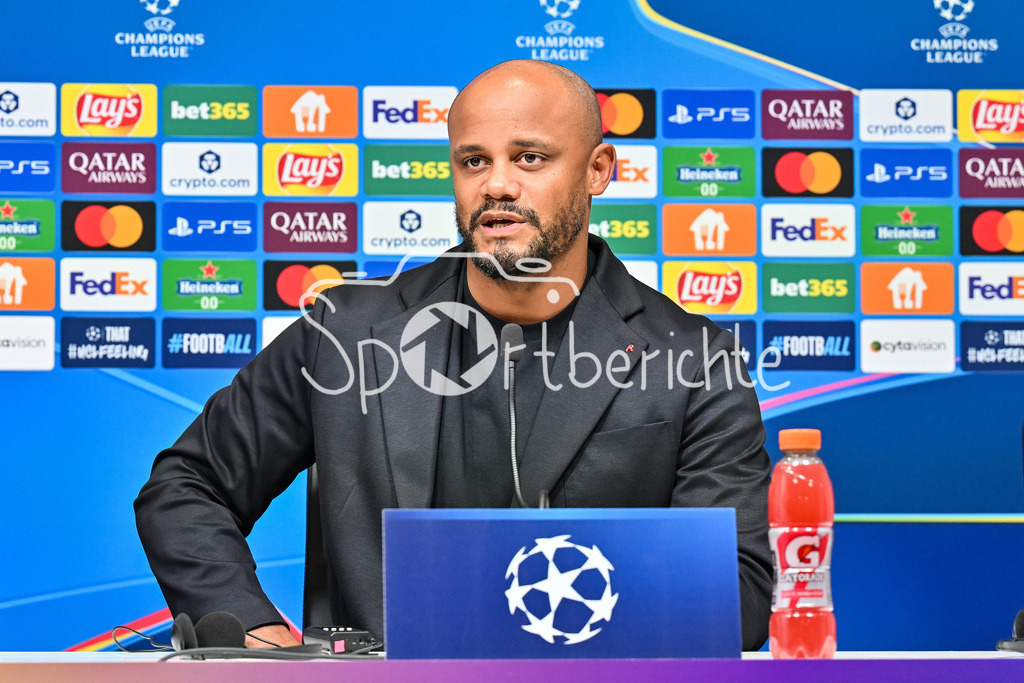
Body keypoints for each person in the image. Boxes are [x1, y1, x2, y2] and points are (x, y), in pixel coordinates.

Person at [135, 59, 772, 650]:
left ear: (598, 169)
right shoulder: (345, 332)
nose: (497, 185)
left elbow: (738, 594)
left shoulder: (696, 360)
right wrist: (250, 627)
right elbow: (187, 487)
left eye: (529, 158)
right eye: (473, 161)